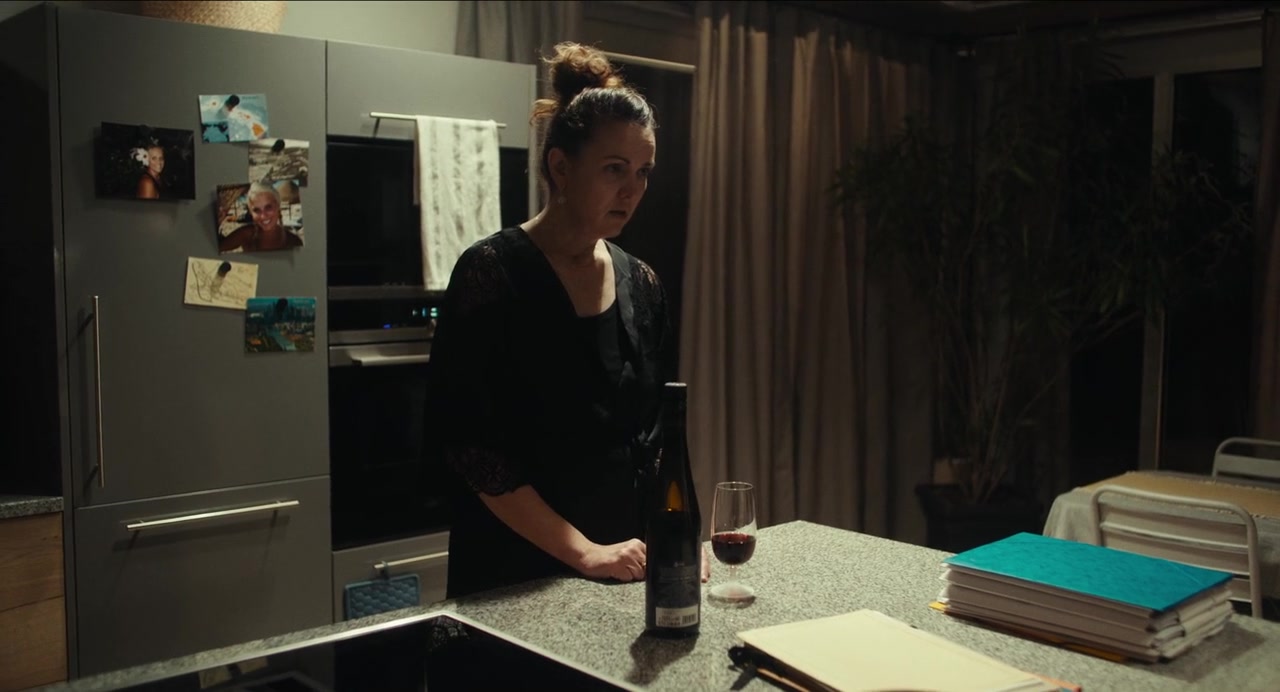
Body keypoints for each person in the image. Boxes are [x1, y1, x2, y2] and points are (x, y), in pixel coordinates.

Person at [425, 42, 707, 599]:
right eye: (614, 169)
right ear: (560, 167)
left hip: (621, 566)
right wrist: (583, 552)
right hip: (513, 574)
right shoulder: (491, 273)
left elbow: (658, 440)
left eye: (643, 172)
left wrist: (674, 533)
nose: (632, 190)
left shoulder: (642, 284)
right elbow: (474, 451)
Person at [219, 182, 303, 252]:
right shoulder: (246, 234)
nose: (263, 216)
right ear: (251, 213)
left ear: (278, 206)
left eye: (268, 207)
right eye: (257, 210)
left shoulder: (294, 241)